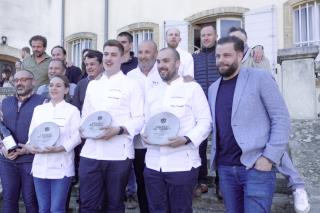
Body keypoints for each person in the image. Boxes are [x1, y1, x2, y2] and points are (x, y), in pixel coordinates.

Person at [229, 26, 311, 213]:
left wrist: (259, 48)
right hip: (241, 121)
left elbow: (268, 86)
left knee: (275, 147)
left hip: (261, 116)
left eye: (240, 40)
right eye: (232, 39)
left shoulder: (258, 57)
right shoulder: (227, 59)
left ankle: (297, 186)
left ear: (247, 42)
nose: (236, 43)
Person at [208, 36, 291, 213]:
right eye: (218, 56)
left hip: (256, 167)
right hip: (225, 169)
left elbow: (281, 118)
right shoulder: (213, 88)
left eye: (227, 55)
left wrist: (269, 157)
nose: (221, 60)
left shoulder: (260, 77)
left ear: (240, 55)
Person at [142, 47, 212, 213]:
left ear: (178, 63)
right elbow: (146, 122)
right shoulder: (152, 92)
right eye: (158, 61)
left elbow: (205, 122)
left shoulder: (192, 89)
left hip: (182, 165)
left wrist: (187, 138)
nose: (161, 65)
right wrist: (144, 134)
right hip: (153, 165)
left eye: (166, 61)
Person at [79, 40, 144, 212]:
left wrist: (119, 130)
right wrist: (83, 128)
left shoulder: (131, 85)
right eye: (106, 54)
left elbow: (139, 119)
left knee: (113, 205)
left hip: (118, 154)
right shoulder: (93, 85)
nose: (109, 58)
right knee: (87, 204)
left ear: (122, 57)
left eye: (114, 54)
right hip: (91, 153)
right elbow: (85, 116)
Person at [23, 74, 81, 213]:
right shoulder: (39, 110)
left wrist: (60, 148)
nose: (54, 88)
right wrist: (30, 147)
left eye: (58, 85)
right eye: (51, 85)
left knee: (57, 209)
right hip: (40, 167)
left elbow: (77, 137)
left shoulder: (72, 111)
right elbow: (31, 136)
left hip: (61, 167)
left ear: (66, 90)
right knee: (43, 209)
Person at [0, 70, 44, 213]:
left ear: (33, 82)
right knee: (8, 198)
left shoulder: (42, 102)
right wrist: (2, 149)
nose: (19, 83)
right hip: (7, 160)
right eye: (17, 80)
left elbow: (46, 131)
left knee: (30, 199)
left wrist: (29, 148)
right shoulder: (5, 102)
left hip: (30, 159)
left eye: (24, 79)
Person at [127, 40, 163, 213]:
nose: (143, 56)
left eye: (147, 52)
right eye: (140, 52)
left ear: (155, 54)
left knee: (160, 184)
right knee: (141, 182)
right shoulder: (130, 77)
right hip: (139, 142)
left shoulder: (164, 74)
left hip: (161, 139)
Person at [192, 24, 220, 197]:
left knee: (221, 145)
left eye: (209, 35)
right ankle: (200, 181)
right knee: (199, 146)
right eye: (203, 35)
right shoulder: (194, 58)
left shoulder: (221, 54)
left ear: (216, 36)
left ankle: (220, 183)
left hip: (219, 105)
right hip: (200, 107)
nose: (206, 38)